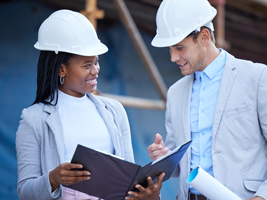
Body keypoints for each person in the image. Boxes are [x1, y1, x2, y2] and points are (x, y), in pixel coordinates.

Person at [147, 0, 267, 200]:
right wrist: (164, 158)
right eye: (170, 49)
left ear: (204, 37)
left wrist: (264, 197)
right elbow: (179, 165)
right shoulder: (176, 93)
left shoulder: (257, 77)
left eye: (180, 48)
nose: (173, 57)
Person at [16, 9, 163, 200]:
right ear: (62, 69)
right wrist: (53, 178)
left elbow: (129, 181)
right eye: (87, 65)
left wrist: (147, 195)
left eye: (97, 62)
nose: (95, 70)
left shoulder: (114, 111)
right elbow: (25, 191)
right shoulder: (34, 119)